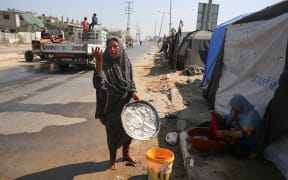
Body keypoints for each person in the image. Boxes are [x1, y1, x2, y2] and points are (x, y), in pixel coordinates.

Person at [92, 36, 140, 170]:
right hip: (110, 107)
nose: (113, 49)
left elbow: (130, 82)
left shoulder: (126, 61)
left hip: (126, 105)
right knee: (112, 135)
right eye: (110, 47)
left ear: (120, 47)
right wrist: (99, 62)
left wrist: (134, 92)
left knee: (129, 131)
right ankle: (112, 159)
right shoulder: (104, 62)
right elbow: (98, 84)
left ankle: (126, 154)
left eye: (115, 46)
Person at [216, 94, 261, 158]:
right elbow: (228, 118)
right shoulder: (238, 111)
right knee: (218, 126)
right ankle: (229, 144)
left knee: (238, 152)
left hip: (248, 141)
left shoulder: (252, 116)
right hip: (238, 136)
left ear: (240, 105)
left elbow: (242, 134)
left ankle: (253, 152)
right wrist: (219, 117)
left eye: (235, 107)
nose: (233, 109)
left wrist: (226, 132)